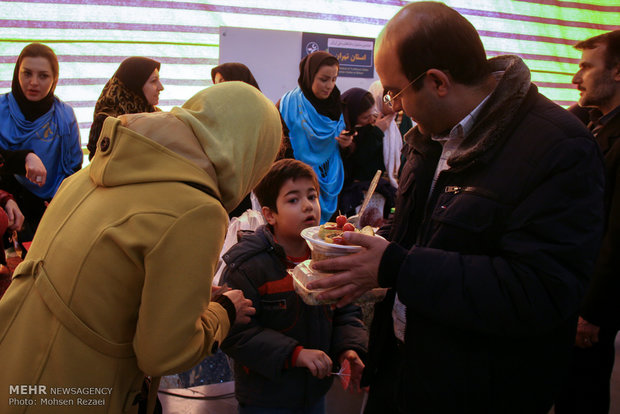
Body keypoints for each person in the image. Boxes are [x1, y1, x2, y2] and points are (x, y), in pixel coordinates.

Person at [307, 2, 605, 413]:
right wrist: (365, 250)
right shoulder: (432, 137)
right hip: (402, 371)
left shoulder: (559, 147)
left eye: (394, 91)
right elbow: (428, 234)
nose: (391, 105)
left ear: (437, 82)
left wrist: (394, 265)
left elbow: (539, 291)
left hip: (479, 391)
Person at [0, 81, 281, 414]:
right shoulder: (197, 210)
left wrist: (182, 292)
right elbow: (164, 351)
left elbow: (101, 275)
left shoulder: (102, 169)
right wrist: (224, 311)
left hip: (17, 363)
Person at [220, 158, 368, 414]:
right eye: (293, 200)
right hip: (265, 398)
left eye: (312, 196)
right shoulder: (248, 266)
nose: (308, 206)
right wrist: (296, 354)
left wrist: (349, 348)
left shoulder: (328, 258)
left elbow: (345, 309)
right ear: (269, 214)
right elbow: (235, 334)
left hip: (314, 392)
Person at [555, 30, 620, 414]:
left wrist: (592, 311)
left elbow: (616, 235)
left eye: (585, 67)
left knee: (582, 394)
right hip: (571, 291)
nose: (575, 79)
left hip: (589, 303)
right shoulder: (594, 125)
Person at [0, 43, 83, 240]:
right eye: (27, 73)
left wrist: (61, 202)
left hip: (53, 204)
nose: (34, 82)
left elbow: (74, 168)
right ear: (17, 72)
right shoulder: (1, 110)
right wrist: (25, 157)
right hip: (6, 202)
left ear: (54, 79)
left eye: (43, 76)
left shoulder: (64, 115)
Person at [279, 51, 352, 224]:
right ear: (309, 75)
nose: (330, 86)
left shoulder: (339, 106)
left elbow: (349, 152)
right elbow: (279, 149)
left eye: (334, 79)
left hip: (332, 183)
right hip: (296, 186)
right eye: (324, 79)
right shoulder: (287, 105)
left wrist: (347, 145)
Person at [87, 56, 164, 160]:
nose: (161, 87)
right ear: (135, 85)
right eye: (154, 81)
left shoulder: (157, 116)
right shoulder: (108, 121)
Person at [211, 62, 261, 218]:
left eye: (222, 83)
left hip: (249, 190)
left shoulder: (261, 112)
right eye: (216, 84)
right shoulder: (215, 112)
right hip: (221, 190)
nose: (217, 89)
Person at [338, 87, 395, 223]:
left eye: (372, 114)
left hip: (377, 191)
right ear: (351, 115)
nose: (371, 120)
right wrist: (377, 133)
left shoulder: (375, 126)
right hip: (355, 196)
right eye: (365, 117)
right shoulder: (344, 134)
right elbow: (359, 160)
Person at [368, 80, 403, 189]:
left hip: (393, 188)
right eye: (388, 99)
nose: (394, 105)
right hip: (369, 188)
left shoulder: (402, 121)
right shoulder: (366, 122)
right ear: (377, 98)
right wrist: (377, 131)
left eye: (397, 98)